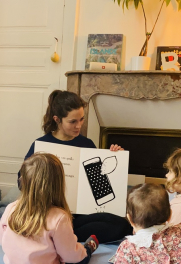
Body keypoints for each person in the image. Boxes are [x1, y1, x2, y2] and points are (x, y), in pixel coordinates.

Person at [21, 89, 132, 243]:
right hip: (50, 212)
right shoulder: (42, 145)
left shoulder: (87, 144)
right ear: (57, 119)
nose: (78, 126)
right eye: (73, 121)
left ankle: (61, 235)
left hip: (79, 214)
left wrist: (114, 157)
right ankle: (59, 233)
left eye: (81, 119)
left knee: (122, 224)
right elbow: (22, 182)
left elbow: (100, 183)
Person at [0, 153, 99, 264]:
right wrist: (82, 252)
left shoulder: (11, 208)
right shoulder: (59, 218)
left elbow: (1, 240)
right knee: (80, 259)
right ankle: (89, 248)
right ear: (57, 184)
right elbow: (69, 255)